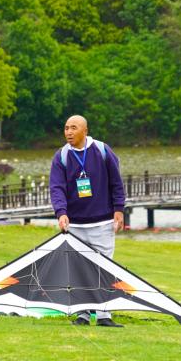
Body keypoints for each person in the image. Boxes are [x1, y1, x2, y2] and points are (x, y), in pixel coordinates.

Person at [49, 115, 126, 327]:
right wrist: (61, 212)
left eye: (73, 128)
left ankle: (104, 315)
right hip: (75, 224)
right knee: (78, 269)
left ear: (85, 130)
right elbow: (56, 188)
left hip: (102, 223)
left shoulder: (102, 150)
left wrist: (119, 209)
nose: (68, 132)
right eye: (66, 128)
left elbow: (116, 182)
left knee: (104, 268)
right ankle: (82, 313)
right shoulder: (61, 156)